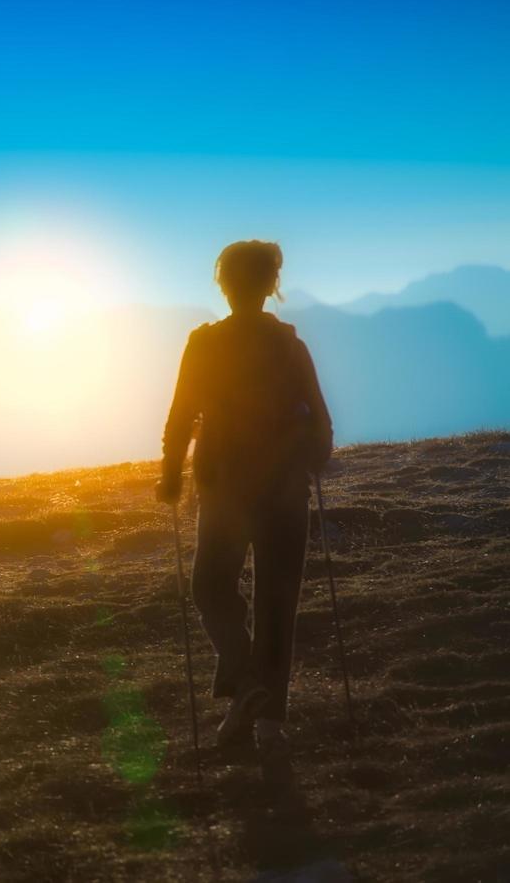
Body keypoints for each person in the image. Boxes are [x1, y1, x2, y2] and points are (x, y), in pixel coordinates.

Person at [156, 240, 332, 768]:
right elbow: (322, 426)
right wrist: (308, 460)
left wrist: (170, 476)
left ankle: (245, 682)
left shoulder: (204, 343)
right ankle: (268, 726)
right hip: (284, 496)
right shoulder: (290, 346)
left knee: (210, 587)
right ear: (271, 285)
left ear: (225, 285)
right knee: (279, 606)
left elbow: (182, 415)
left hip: (225, 490)